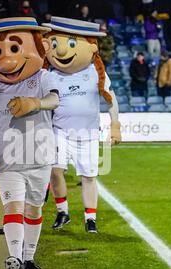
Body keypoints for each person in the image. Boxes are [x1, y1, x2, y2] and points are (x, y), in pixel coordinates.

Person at [0, 17, 59, 269]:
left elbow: (54, 100)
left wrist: (36, 103)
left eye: (14, 49)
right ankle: (15, 258)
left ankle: (29, 258)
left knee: (34, 210)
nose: (7, 60)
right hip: (7, 161)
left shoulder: (43, 77)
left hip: (40, 157)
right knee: (13, 207)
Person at [43, 16, 121, 233]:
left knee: (88, 176)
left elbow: (111, 98)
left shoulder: (96, 72)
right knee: (55, 169)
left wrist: (116, 124)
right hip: (59, 131)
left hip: (87, 134)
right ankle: (63, 212)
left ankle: (90, 218)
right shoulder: (50, 74)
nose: (61, 51)